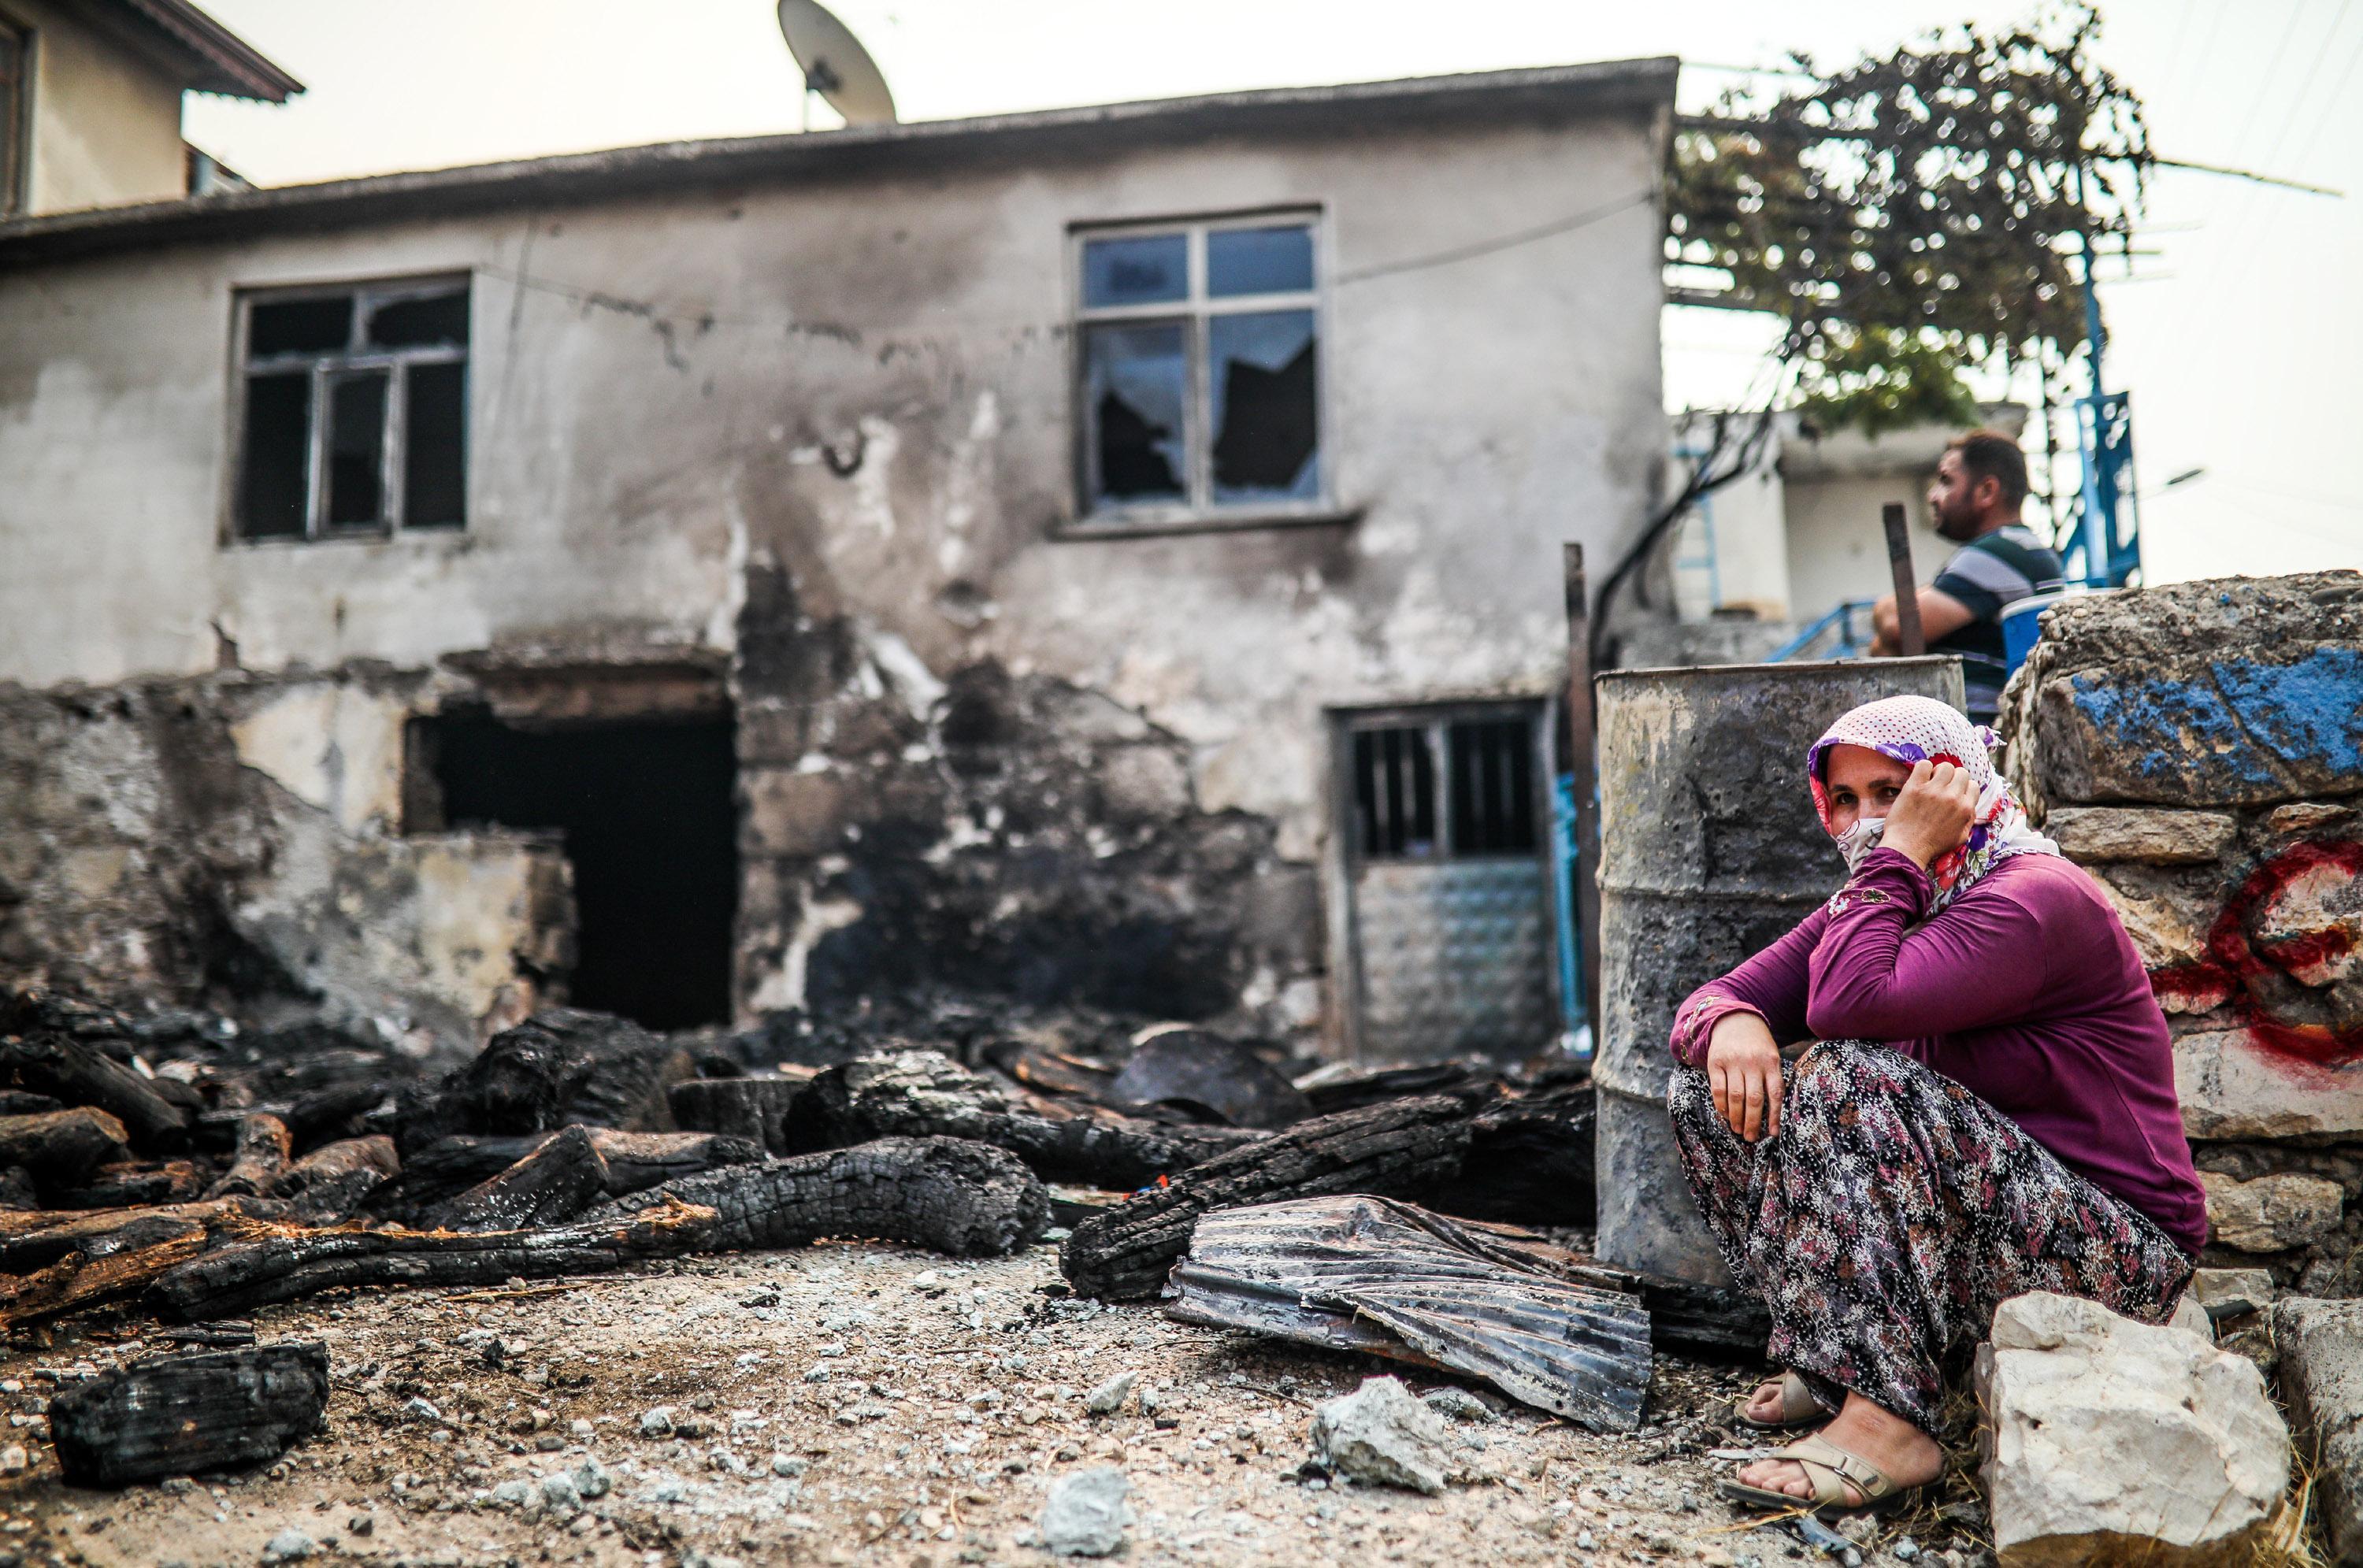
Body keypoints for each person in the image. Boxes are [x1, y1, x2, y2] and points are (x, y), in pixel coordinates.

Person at [1664, 695, 2205, 1519]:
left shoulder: (2031, 896)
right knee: (1709, 1092)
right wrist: (1733, 1021)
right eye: (1844, 800)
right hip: (1998, 1229)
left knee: (1846, 1074)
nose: (1865, 820)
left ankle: (1889, 1424)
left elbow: (1847, 1003)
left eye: (1891, 790)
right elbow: (1714, 1000)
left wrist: (1902, 852)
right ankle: (1838, 1352)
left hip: (2120, 1253)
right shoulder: (1904, 895)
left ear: (1949, 785)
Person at [1868, 430, 2065, 724]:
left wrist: (1886, 613)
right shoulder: (2026, 551)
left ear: (1987, 491)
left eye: (1946, 481)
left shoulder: (2001, 552)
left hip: (1975, 736)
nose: (1933, 496)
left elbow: (1897, 624)